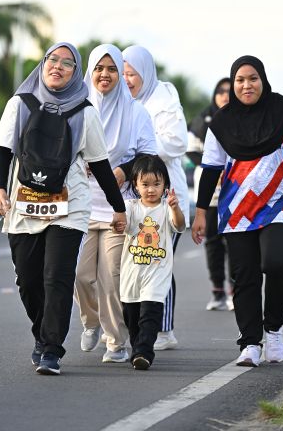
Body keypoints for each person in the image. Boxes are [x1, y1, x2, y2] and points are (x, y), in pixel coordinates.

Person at [191, 55, 283, 368]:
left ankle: (273, 328)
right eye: (240, 80)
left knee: (276, 263)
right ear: (233, 84)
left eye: (253, 78)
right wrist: (201, 211)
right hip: (237, 209)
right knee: (244, 275)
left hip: (280, 204)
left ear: (263, 79)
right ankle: (249, 343)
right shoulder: (221, 122)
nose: (246, 85)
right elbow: (210, 168)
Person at [0, 42, 126, 376]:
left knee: (57, 277)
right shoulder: (20, 104)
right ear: (43, 64)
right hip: (24, 203)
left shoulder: (85, 111)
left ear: (76, 73)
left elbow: (100, 164)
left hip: (70, 204)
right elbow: (2, 150)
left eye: (68, 63)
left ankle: (52, 349)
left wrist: (118, 207)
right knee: (28, 279)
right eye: (53, 59)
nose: (58, 67)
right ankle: (42, 334)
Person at [74, 44, 156, 363]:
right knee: (79, 274)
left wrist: (124, 170)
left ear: (120, 74)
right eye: (99, 68)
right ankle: (91, 321)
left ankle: (116, 341)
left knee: (112, 275)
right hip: (80, 206)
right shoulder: (78, 109)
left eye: (111, 69)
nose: (105, 75)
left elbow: (149, 157)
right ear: (90, 72)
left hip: (118, 208)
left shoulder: (136, 112)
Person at [122, 45, 189, 351]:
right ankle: (134, 329)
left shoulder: (164, 101)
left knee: (159, 262)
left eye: (132, 74)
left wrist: (139, 148)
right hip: (133, 199)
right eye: (123, 73)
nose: (126, 79)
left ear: (145, 73)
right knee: (136, 262)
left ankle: (164, 331)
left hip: (165, 198)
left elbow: (177, 143)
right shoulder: (121, 102)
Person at [118, 155, 185, 370]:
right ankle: (137, 348)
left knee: (150, 314)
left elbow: (179, 225)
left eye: (156, 184)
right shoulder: (130, 206)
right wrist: (117, 223)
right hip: (132, 273)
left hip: (157, 272)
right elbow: (123, 224)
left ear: (165, 184)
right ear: (136, 185)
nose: (151, 189)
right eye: (145, 184)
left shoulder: (166, 208)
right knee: (132, 317)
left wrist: (175, 208)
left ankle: (144, 353)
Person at [187, 77, 234, 311]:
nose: (225, 95)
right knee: (213, 242)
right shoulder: (203, 119)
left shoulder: (242, 117)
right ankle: (217, 291)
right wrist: (213, 165)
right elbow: (191, 150)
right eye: (220, 91)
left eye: (229, 91)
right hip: (210, 192)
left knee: (235, 242)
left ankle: (235, 290)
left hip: (236, 191)